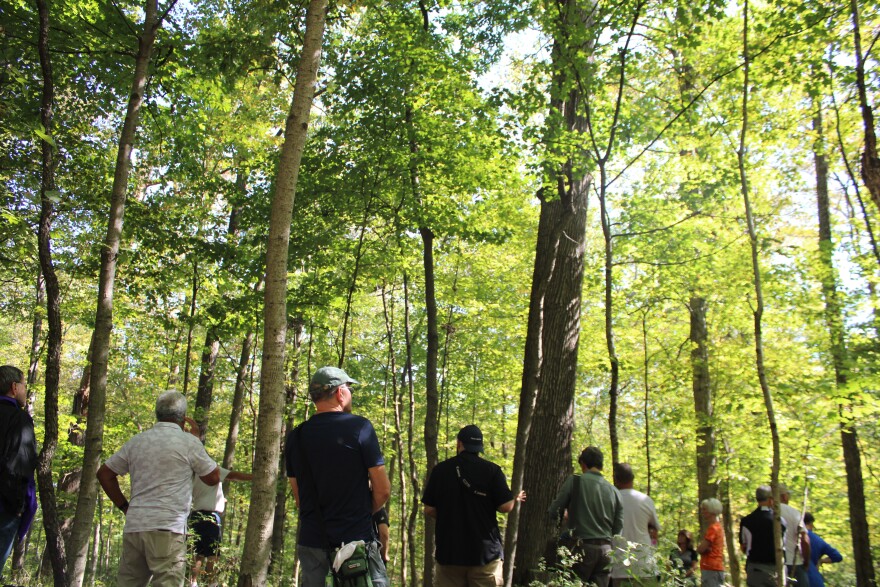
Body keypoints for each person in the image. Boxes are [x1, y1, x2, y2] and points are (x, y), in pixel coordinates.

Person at [97, 391, 220, 587]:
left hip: (135, 527)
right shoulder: (188, 443)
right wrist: (197, 441)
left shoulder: (137, 441)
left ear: (157, 413)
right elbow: (213, 477)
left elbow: (104, 474)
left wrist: (125, 507)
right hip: (168, 529)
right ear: (183, 418)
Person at [285, 366, 391, 587]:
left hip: (313, 543)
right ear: (340, 393)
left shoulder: (297, 437)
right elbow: (383, 490)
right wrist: (359, 513)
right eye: (349, 388)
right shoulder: (360, 427)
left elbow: (299, 499)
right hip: (357, 544)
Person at [422, 424, 525, 587]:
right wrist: (515, 499)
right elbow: (505, 507)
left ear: (459, 443)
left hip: (449, 553)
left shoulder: (440, 470)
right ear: (480, 446)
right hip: (485, 555)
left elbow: (429, 509)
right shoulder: (493, 470)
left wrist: (449, 515)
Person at [185, 422, 253, 587]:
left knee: (197, 553)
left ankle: (193, 583)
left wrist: (221, 500)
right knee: (212, 554)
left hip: (195, 516)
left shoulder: (190, 472)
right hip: (210, 517)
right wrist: (255, 477)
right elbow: (234, 475)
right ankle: (210, 584)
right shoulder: (210, 468)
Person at [547, 446, 623, 587]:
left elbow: (554, 511)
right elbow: (618, 529)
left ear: (583, 463)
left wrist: (564, 515)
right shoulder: (614, 491)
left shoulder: (575, 481)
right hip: (606, 551)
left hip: (580, 549)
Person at [0, 366, 37, 579]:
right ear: (14, 387)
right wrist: (23, 506)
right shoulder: (19, 420)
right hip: (4, 508)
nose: (24, 390)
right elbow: (20, 466)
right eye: (23, 385)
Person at [610, 463, 661, 587]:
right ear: (632, 479)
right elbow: (655, 529)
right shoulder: (645, 500)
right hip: (644, 565)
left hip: (619, 566)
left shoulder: (610, 499)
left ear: (616, 480)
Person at [740, 485, 787, 587]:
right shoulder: (780, 522)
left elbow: (744, 546)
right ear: (771, 500)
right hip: (776, 570)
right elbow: (784, 545)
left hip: (755, 570)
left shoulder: (747, 521)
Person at [778, 485, 810, 587]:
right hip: (795, 563)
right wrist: (806, 561)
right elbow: (804, 540)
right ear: (784, 496)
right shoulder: (793, 513)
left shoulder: (768, 512)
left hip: (774, 565)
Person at [803, 513, 842, 587]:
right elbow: (837, 556)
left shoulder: (791, 537)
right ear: (811, 524)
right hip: (814, 579)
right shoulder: (818, 540)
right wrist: (821, 561)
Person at [696, 498, 725, 587]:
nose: (702, 512)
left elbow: (701, 548)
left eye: (704, 509)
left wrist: (700, 548)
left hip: (711, 568)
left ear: (712, 510)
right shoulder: (718, 527)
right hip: (715, 568)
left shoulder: (713, 528)